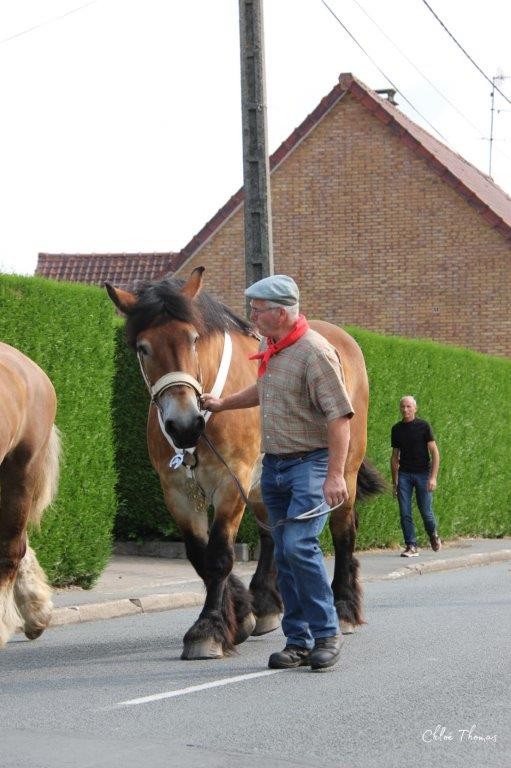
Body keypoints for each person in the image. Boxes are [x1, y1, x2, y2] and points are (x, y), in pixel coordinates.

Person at [201, 274, 354, 672]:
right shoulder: (273, 347)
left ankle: (326, 634)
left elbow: (340, 418)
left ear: (281, 313)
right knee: (283, 557)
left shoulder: (315, 353)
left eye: (258, 310)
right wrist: (222, 404)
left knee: (299, 547)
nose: (252, 316)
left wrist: (335, 475)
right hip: (277, 466)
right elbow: (263, 390)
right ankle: (298, 640)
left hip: (311, 465)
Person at [390, 395, 441, 557]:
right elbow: (394, 456)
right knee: (404, 512)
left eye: (409, 406)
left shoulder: (423, 426)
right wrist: (395, 481)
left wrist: (433, 477)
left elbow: (435, 453)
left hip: (423, 474)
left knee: (426, 511)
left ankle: (433, 534)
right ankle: (411, 545)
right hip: (404, 474)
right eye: (403, 406)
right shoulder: (396, 429)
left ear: (415, 409)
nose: (405, 409)